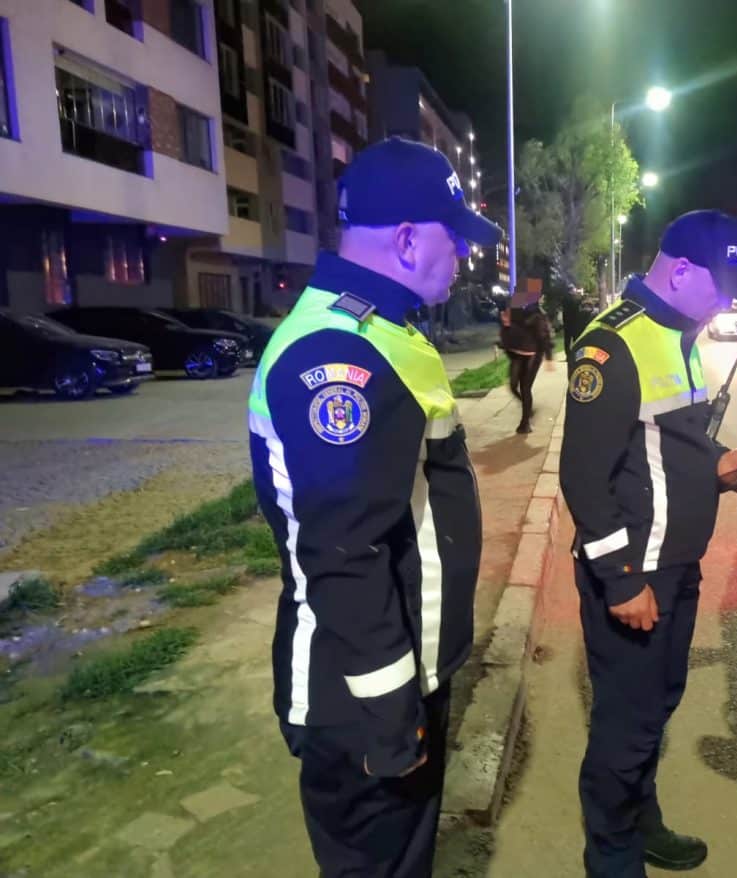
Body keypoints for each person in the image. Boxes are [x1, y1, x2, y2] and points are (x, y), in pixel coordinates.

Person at [247, 137, 501, 878]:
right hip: (362, 696)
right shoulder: (338, 354)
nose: (464, 255)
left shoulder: (382, 329)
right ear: (407, 239)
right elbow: (344, 555)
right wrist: (392, 714)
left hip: (392, 675)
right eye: (455, 238)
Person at [559, 210, 737, 877]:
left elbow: (669, 445)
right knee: (624, 732)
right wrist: (623, 579)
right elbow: (584, 476)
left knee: (656, 708)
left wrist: (719, 464)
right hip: (637, 573)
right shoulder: (612, 345)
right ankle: (612, 861)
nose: (726, 303)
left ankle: (641, 824)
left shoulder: (680, 335)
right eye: (722, 287)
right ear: (681, 271)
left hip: (676, 566)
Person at [499, 297, 554, 433]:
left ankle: (525, 423)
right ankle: (528, 409)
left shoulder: (536, 314)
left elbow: (544, 336)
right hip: (517, 354)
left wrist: (549, 357)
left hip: (532, 355)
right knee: (513, 386)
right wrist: (506, 326)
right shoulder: (513, 311)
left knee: (525, 388)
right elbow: (506, 334)